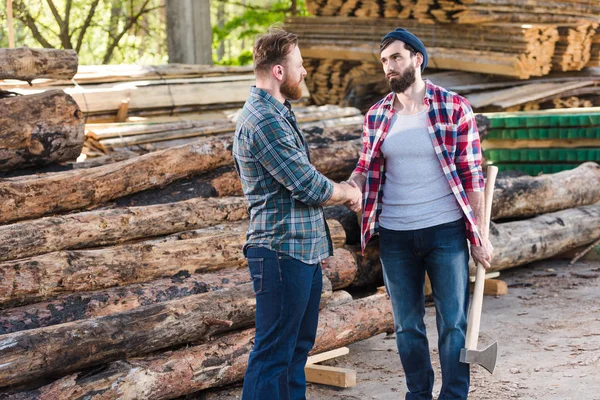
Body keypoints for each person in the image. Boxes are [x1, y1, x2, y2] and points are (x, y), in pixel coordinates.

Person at [347, 28, 493, 400]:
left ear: (417, 59)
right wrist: (350, 188)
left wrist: (477, 236)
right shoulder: (377, 114)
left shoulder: (453, 106)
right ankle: (418, 394)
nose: (389, 67)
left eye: (396, 57)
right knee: (407, 325)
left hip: (444, 231)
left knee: (453, 324)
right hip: (395, 234)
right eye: (383, 61)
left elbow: (472, 176)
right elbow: (363, 168)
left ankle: (454, 395)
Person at [233, 28, 362, 400]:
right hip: (279, 251)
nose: (304, 72)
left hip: (299, 250)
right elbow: (307, 185)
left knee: (295, 350)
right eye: (299, 65)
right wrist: (348, 193)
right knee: (273, 353)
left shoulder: (278, 113)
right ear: (278, 71)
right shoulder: (264, 120)